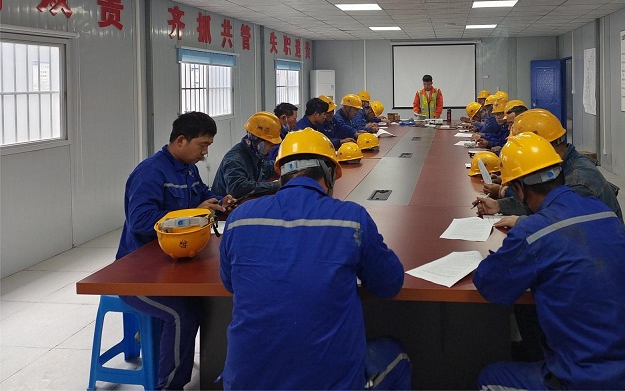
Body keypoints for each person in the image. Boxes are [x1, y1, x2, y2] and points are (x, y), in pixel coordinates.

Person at [474, 132, 625, 391]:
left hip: (596, 381)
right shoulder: (602, 212)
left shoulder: (532, 232)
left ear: (519, 189)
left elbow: (490, 285)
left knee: (489, 377)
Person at [219, 128, 411, 390]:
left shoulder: (240, 218)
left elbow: (230, 283)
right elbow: (389, 284)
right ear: (329, 173)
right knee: (394, 354)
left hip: (245, 383)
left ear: (281, 172)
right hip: (327, 383)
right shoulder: (350, 218)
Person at [116, 111, 234, 390]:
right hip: (138, 273)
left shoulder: (188, 168)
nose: (205, 152)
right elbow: (141, 220)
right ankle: (170, 385)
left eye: (208, 146)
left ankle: (200, 364)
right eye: (202, 145)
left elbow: (202, 195)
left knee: (211, 301)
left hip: (173, 263)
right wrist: (193, 212)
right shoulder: (150, 172)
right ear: (181, 140)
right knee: (182, 314)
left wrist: (219, 202)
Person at [476, 108, 624, 228]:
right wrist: (499, 205)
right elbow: (543, 204)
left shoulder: (577, 182)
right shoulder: (561, 165)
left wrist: (521, 221)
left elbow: (561, 223)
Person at [211, 111, 282, 200]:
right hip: (225, 207)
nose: (273, 146)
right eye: (270, 142)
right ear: (258, 140)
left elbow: (266, 168)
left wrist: (285, 166)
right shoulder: (235, 159)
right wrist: (276, 185)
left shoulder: (254, 154)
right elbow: (238, 188)